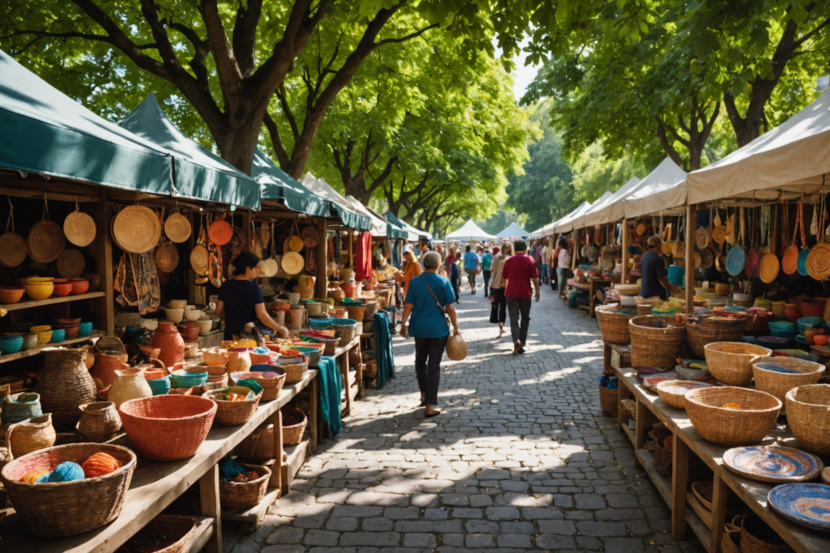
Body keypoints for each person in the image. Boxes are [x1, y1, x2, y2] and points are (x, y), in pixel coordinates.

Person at [400, 251, 459, 417]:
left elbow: (407, 305)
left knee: (420, 360)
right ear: (438, 265)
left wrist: (403, 323)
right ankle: (429, 406)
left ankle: (423, 394)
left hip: (419, 328)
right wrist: (455, 326)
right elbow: (450, 308)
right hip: (438, 329)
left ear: (424, 264)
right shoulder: (444, 281)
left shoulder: (415, 282)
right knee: (434, 366)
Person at [216, 252, 289, 342]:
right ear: (248, 268)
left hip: (230, 334)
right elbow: (261, 314)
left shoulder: (226, 285)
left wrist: (227, 319)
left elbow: (218, 311)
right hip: (248, 335)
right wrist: (280, 328)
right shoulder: (254, 288)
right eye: (257, 267)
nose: (259, 271)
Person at [502, 240, 540, 355]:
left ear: (514, 248)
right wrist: (538, 291)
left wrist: (505, 291)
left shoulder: (508, 260)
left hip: (511, 294)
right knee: (525, 318)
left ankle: (516, 341)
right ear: (525, 248)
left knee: (514, 320)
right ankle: (522, 341)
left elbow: (504, 279)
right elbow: (534, 279)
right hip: (525, 294)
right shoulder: (529, 260)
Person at [640, 236, 681, 300]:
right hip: (655, 295)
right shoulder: (658, 259)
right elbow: (661, 278)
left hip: (644, 292)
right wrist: (672, 289)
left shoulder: (644, 256)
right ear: (659, 245)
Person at [489, 242, 512, 337]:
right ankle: (501, 327)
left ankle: (500, 326)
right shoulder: (511, 257)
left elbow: (492, 269)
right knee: (502, 307)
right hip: (506, 286)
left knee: (496, 306)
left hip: (496, 285)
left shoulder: (497, 256)